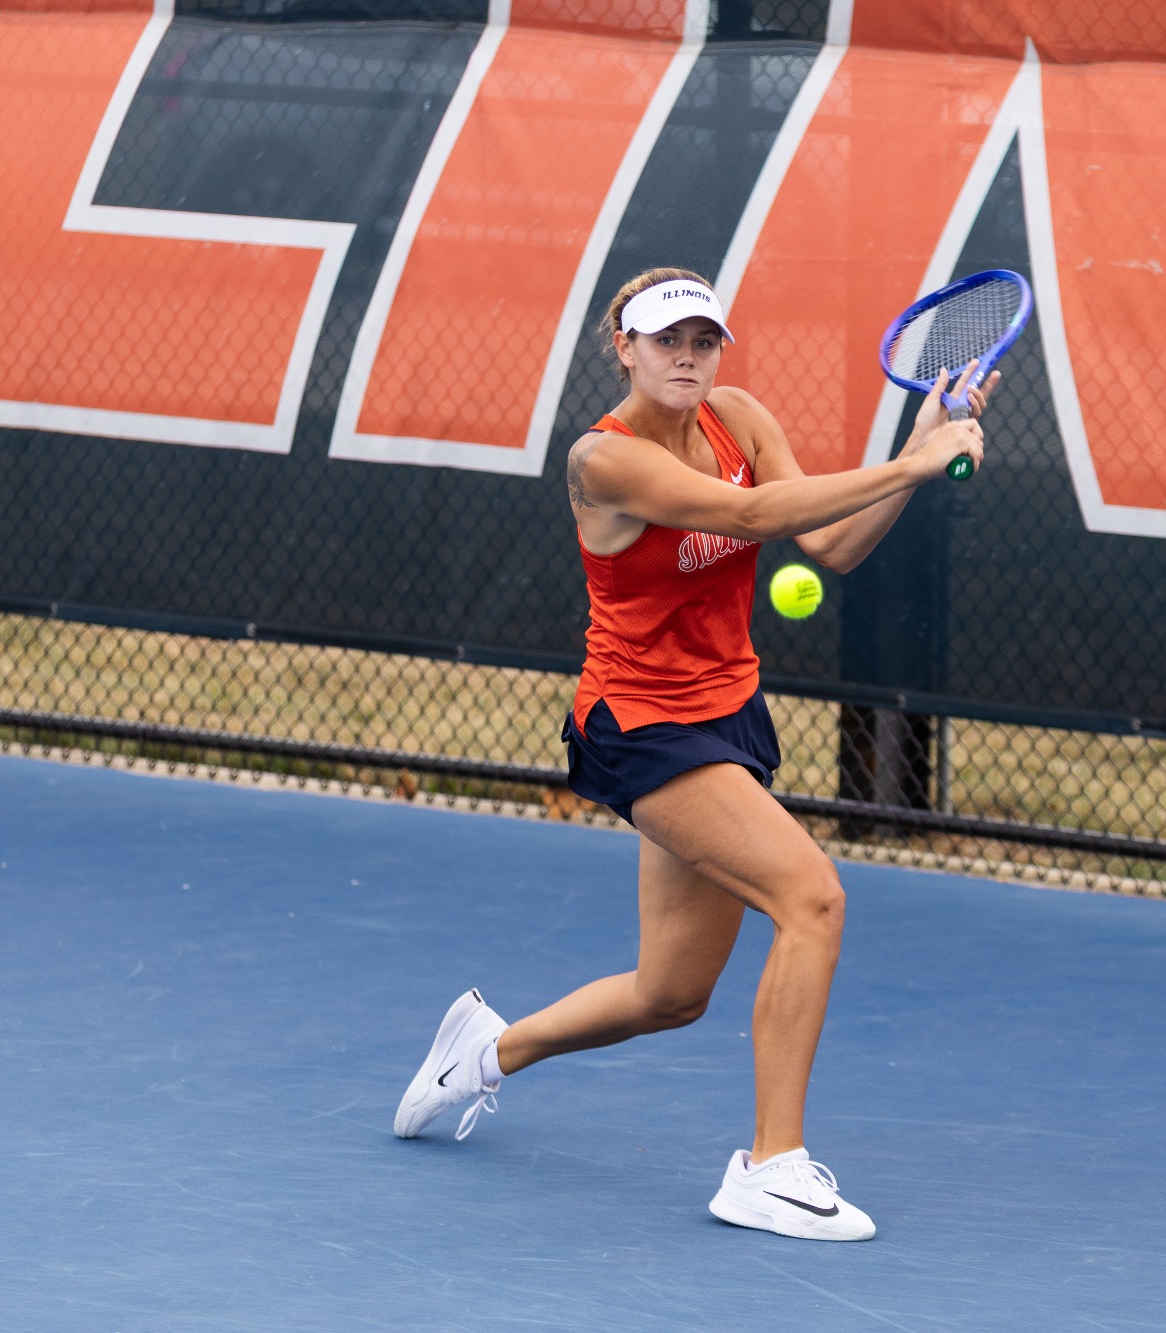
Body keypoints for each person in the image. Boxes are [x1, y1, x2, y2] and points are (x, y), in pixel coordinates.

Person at [394, 267, 996, 1241]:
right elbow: (753, 518)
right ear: (621, 347)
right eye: (663, 338)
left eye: (702, 339)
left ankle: (487, 1049)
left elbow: (830, 542)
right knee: (812, 898)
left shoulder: (740, 419)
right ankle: (771, 1168)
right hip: (639, 729)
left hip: (726, 718)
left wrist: (914, 448)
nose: (685, 355)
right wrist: (918, 459)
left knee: (669, 993)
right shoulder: (604, 460)